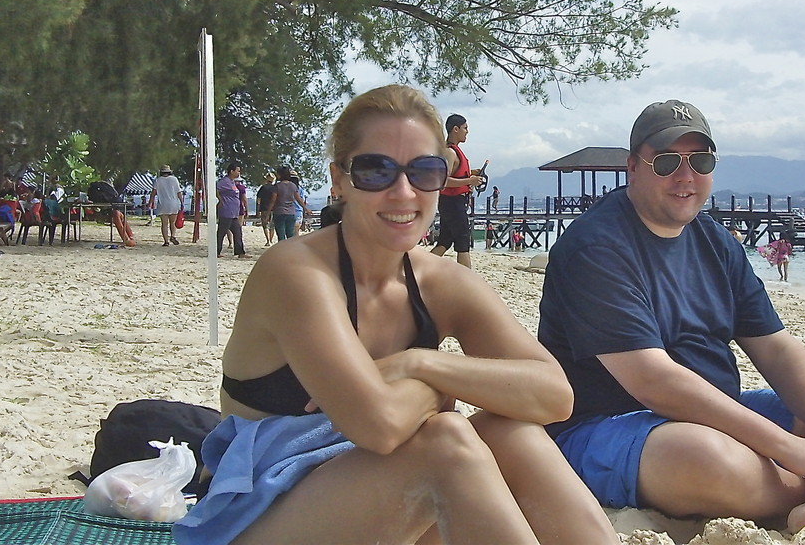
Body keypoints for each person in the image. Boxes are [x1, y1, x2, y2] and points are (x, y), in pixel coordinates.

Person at [173, 84, 618, 545]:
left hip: (381, 505)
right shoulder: (296, 272)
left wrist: (418, 363)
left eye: (424, 171)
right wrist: (443, 389)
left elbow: (554, 396)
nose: (402, 191)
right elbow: (379, 425)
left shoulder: (441, 283)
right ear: (339, 180)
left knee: (513, 432)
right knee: (446, 441)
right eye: (375, 170)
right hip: (256, 517)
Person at [537, 99, 805, 545]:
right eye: (666, 162)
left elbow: (776, 348)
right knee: (706, 456)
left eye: (700, 161)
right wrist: (790, 448)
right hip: (608, 423)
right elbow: (653, 381)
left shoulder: (715, 241)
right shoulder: (597, 247)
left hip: (718, 409)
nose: (685, 176)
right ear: (633, 167)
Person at [430, 114, 484, 269]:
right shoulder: (450, 152)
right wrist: (469, 181)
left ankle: (418, 268)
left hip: (454, 202)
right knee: (463, 241)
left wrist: (471, 173)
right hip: (452, 203)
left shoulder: (455, 151)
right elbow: (442, 180)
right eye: (465, 128)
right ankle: (467, 280)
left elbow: (454, 173)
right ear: (455, 129)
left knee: (445, 241)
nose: (467, 132)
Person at [216, 162, 249, 258]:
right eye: (237, 171)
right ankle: (216, 251)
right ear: (232, 171)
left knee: (238, 232)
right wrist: (220, 200)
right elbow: (215, 189)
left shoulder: (232, 182)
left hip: (234, 213)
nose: (239, 173)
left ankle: (240, 252)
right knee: (221, 232)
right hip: (226, 211)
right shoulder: (224, 181)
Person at [270, 166, 308, 242]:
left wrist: (268, 212)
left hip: (279, 212)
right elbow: (299, 199)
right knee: (290, 236)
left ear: (279, 174)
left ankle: (283, 252)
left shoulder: (277, 186)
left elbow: (273, 201)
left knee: (281, 236)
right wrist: (306, 209)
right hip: (291, 213)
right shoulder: (293, 186)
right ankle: (290, 252)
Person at [149, 166, 183, 247]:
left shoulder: (158, 180)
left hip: (163, 203)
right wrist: (181, 202)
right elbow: (179, 192)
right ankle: (173, 236)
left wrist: (150, 202)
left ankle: (166, 241)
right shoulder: (174, 179)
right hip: (174, 203)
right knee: (173, 222)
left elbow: (153, 192)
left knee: (164, 224)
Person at [255, 172, 278, 246]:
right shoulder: (275, 188)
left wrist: (258, 210)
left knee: (265, 225)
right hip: (274, 209)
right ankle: (271, 240)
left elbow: (259, 199)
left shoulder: (263, 187)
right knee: (272, 226)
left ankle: (268, 240)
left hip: (264, 208)